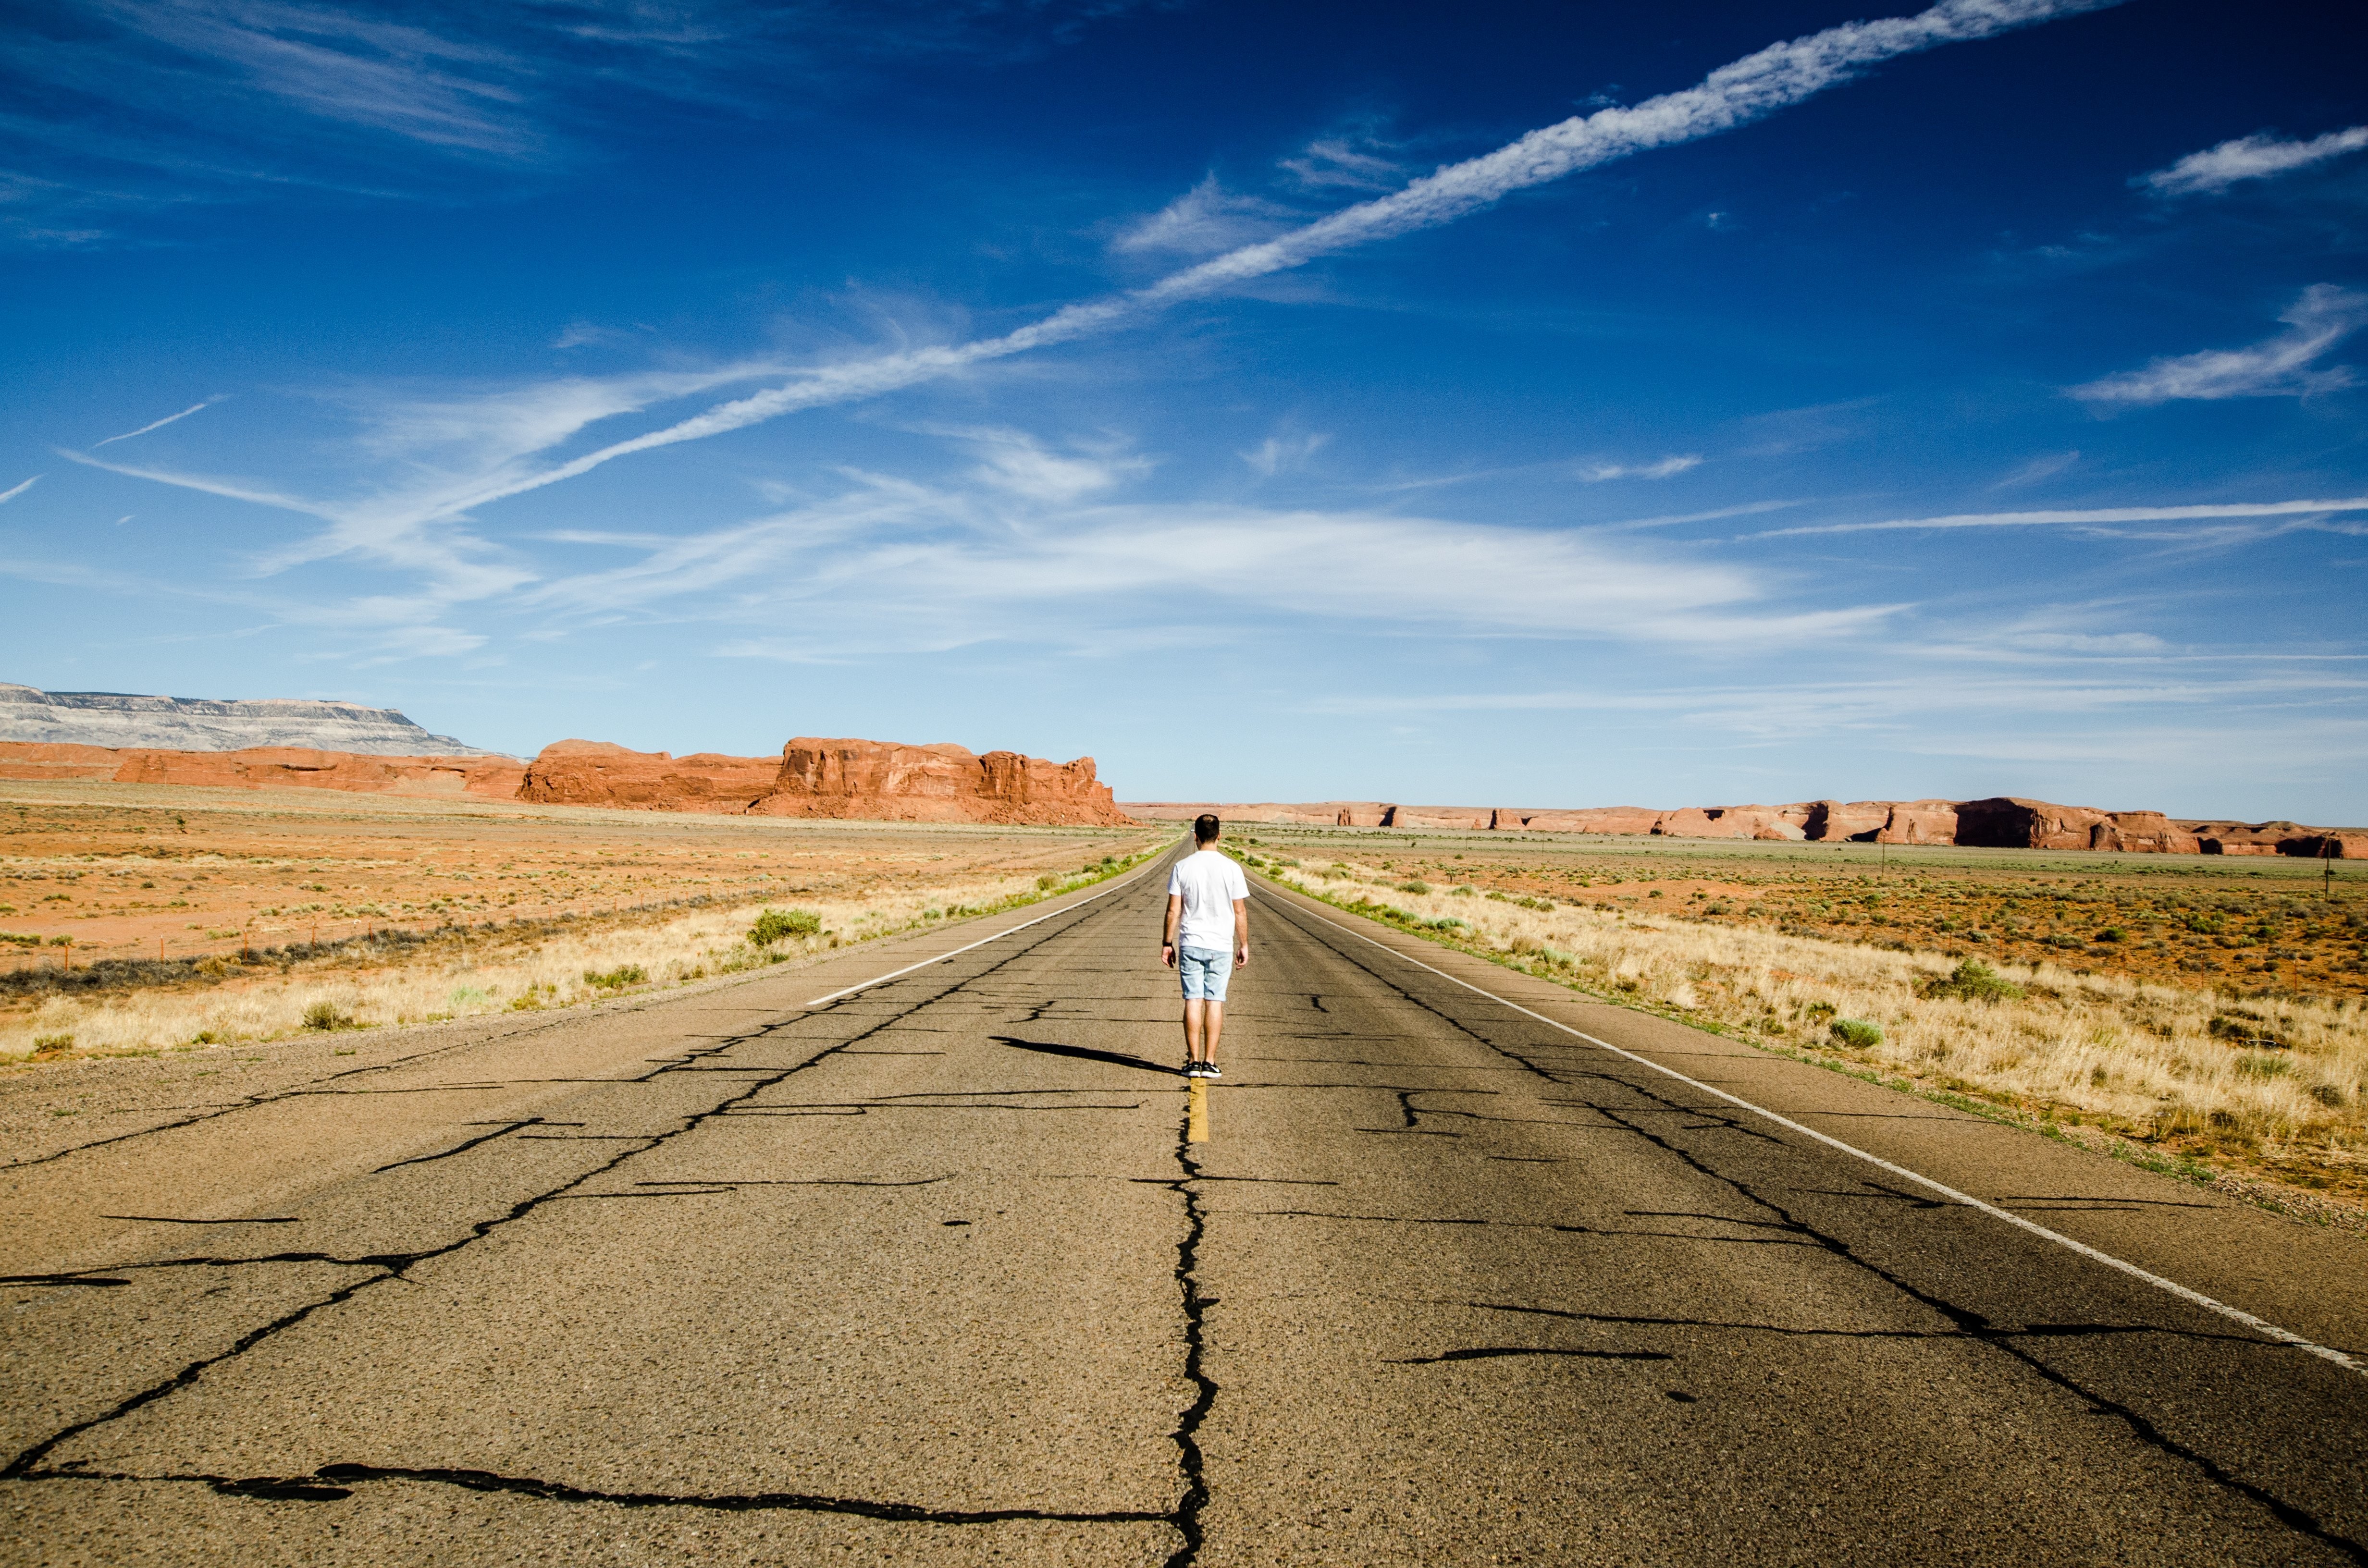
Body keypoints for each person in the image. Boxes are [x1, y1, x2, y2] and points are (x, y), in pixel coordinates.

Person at [1162, 813, 1249, 1078]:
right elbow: (1240, 912)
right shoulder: (1232, 868)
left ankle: (1193, 1062)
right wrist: (1244, 944)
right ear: (1219, 836)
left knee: (1193, 1000)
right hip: (1221, 945)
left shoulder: (1182, 867)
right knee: (1215, 1001)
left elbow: (1173, 911)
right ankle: (1210, 1062)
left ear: (1196, 836)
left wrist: (1167, 942)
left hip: (1191, 943)